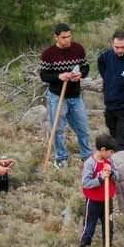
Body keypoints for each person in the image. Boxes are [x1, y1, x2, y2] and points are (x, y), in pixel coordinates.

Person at [39, 23, 93, 170]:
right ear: (56, 37)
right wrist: (59, 76)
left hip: (75, 95)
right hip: (57, 96)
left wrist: (80, 74)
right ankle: (61, 158)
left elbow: (85, 67)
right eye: (63, 37)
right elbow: (44, 75)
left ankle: (87, 156)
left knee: (83, 127)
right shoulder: (48, 54)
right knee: (58, 128)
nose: (67, 40)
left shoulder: (78, 49)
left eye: (69, 36)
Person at [79, 138, 118, 247]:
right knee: (90, 224)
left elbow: (118, 176)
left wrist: (111, 174)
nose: (111, 155)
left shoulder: (110, 161)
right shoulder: (90, 163)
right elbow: (86, 183)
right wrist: (100, 179)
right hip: (94, 201)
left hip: (107, 199)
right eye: (110, 152)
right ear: (103, 149)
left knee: (108, 224)